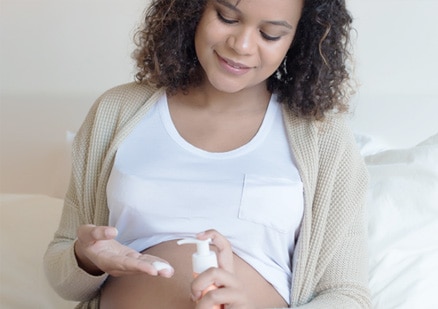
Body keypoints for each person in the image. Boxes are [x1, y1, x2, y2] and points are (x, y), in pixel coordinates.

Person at [44, 0, 371, 308]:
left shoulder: (322, 136)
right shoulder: (115, 112)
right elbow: (64, 276)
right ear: (193, 9)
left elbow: (347, 294)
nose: (241, 45)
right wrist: (85, 256)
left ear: (298, 39)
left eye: (270, 34)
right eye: (227, 17)